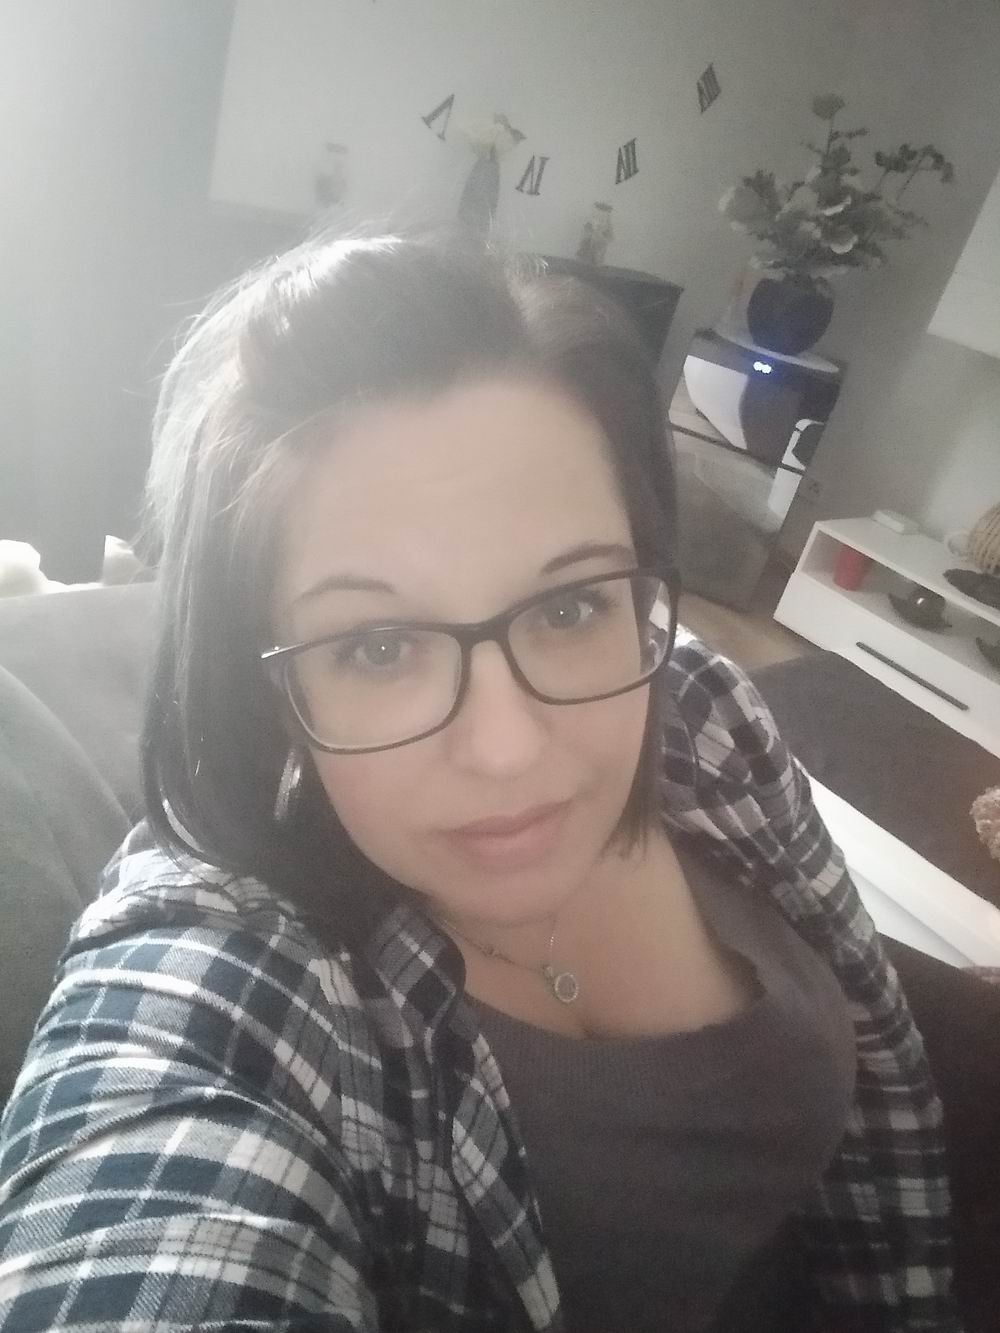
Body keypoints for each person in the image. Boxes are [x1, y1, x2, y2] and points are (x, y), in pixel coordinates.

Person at [0, 230, 961, 1332]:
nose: (508, 749)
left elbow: (885, 1071)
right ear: (262, 679)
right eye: (377, 646)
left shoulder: (694, 707)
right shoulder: (223, 978)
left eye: (569, 606)